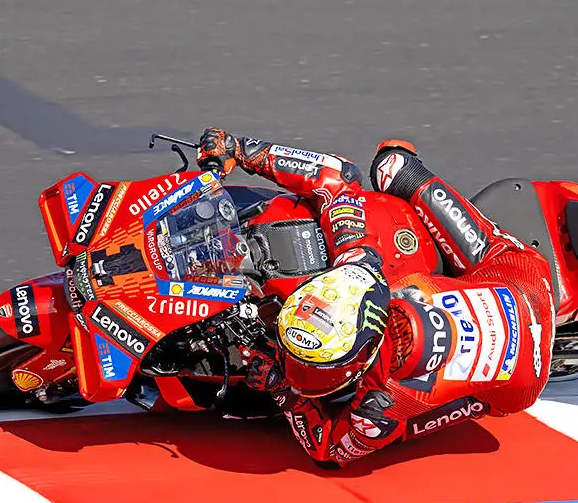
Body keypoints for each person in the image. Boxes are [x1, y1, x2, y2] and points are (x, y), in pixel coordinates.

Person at [196, 127, 556, 467]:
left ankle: (458, 405)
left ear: (361, 358)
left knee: (402, 425)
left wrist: (284, 391)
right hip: (503, 288)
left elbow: (329, 451)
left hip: (523, 348)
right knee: (393, 166)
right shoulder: (358, 266)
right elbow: (336, 176)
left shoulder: (380, 401)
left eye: (314, 367)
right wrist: (242, 150)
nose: (299, 372)